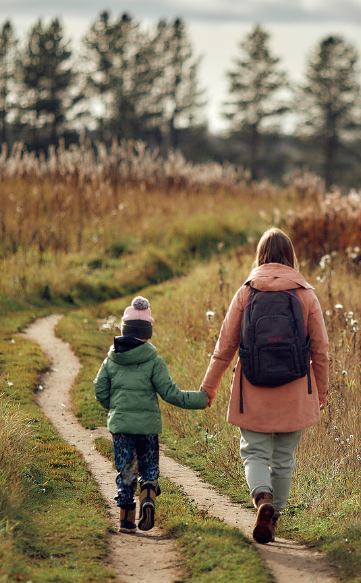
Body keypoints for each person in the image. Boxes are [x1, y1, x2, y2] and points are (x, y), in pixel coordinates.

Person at [199, 227, 330, 544]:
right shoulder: (305, 294)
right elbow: (321, 352)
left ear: (260, 256)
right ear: (291, 257)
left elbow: (225, 347)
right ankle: (274, 517)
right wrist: (321, 394)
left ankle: (263, 500)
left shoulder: (246, 293)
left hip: (252, 389)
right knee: (284, 458)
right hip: (296, 388)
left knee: (255, 454)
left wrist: (209, 388)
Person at [94, 295, 207, 533]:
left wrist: (114, 409)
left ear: (124, 330)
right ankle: (147, 495)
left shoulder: (111, 360)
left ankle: (126, 519)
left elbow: (100, 390)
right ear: (148, 333)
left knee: (125, 470)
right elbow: (170, 393)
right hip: (147, 429)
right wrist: (202, 398)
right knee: (149, 467)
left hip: (122, 428)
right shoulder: (154, 360)